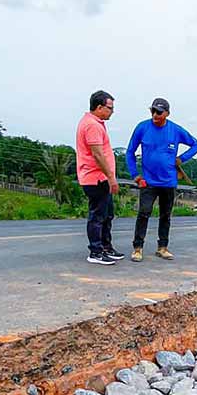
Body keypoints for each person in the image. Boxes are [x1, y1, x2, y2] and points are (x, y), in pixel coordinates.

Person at [126, 97, 197, 262]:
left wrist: (182, 158)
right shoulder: (142, 127)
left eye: (159, 112)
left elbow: (196, 144)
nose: (155, 114)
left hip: (168, 182)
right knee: (143, 213)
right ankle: (137, 248)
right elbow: (130, 152)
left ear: (167, 113)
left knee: (165, 215)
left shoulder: (175, 130)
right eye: (153, 111)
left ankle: (163, 247)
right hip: (148, 181)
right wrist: (135, 175)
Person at [77, 90, 124, 265]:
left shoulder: (96, 123)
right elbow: (97, 154)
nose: (112, 111)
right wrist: (111, 178)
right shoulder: (92, 125)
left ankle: (105, 246)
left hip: (100, 177)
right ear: (99, 107)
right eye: (110, 108)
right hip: (95, 178)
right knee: (97, 216)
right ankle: (95, 251)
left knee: (107, 214)